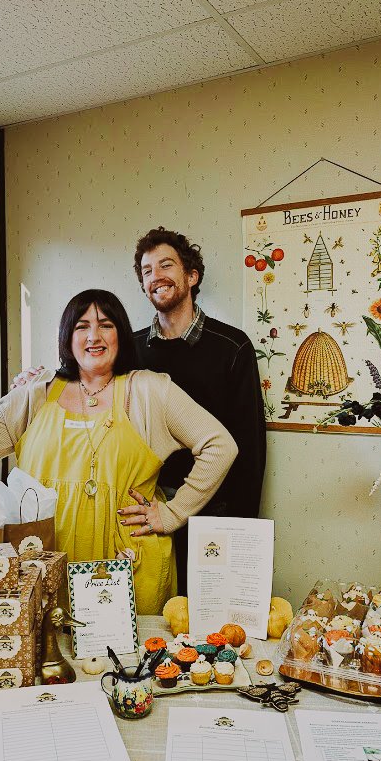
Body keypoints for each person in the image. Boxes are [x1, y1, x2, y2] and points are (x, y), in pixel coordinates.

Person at [0, 289, 236, 615]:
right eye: (82, 326)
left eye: (106, 325)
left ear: (121, 335)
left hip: (127, 561)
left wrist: (172, 514)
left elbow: (220, 446)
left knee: (127, 669)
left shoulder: (150, 391)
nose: (94, 336)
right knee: (47, 662)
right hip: (42, 557)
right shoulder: (35, 394)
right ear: (67, 338)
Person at [132, 227, 266, 594]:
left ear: (191, 276)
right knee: (155, 615)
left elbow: (249, 448)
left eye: (166, 265)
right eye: (146, 270)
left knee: (208, 618)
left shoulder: (232, 347)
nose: (155, 276)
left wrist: (240, 529)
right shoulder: (130, 351)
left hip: (214, 514)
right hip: (147, 514)